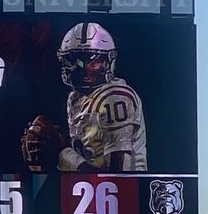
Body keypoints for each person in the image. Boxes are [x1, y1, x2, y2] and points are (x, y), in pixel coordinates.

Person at [21, 21, 147, 173]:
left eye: (93, 61)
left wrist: (62, 152)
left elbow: (119, 177)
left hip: (123, 188)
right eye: (76, 61)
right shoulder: (75, 97)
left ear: (108, 61)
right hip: (88, 185)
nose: (84, 68)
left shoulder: (115, 97)